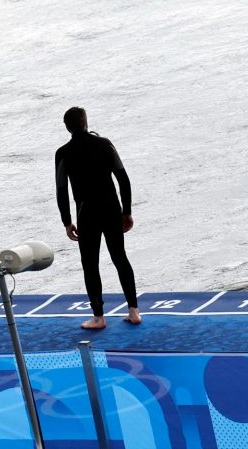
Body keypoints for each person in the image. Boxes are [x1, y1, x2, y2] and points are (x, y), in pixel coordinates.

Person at [55, 107, 141, 329]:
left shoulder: (63, 153)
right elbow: (123, 179)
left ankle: (99, 317)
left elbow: (61, 190)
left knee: (90, 264)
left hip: (87, 214)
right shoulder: (105, 144)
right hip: (111, 209)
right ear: (86, 122)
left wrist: (67, 222)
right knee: (120, 257)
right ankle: (133, 311)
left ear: (67, 127)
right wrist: (127, 211)